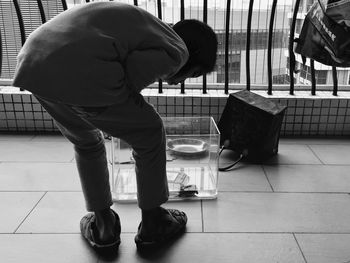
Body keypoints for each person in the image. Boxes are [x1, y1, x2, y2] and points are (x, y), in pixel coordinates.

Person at [13, 1, 217, 251]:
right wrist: (118, 122)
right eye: (192, 74)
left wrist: (109, 118)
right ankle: (153, 222)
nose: (181, 81)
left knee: (86, 142)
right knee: (150, 133)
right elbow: (129, 80)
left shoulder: (147, 27)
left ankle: (103, 226)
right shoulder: (177, 48)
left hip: (35, 64)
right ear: (192, 53)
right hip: (84, 71)